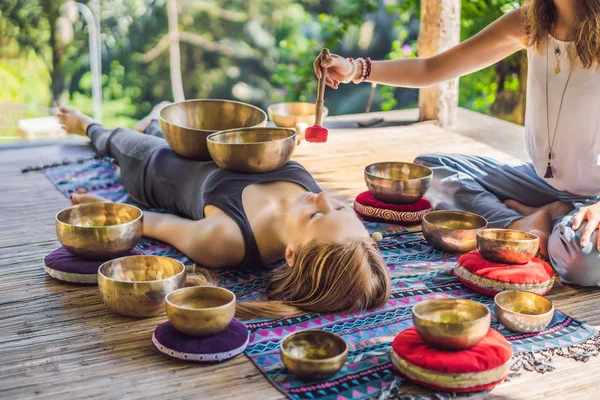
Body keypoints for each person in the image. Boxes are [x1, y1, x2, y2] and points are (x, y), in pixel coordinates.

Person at [314, 0, 600, 286]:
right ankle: (521, 224)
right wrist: (353, 69)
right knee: (431, 171)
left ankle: (549, 220)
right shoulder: (529, 23)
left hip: (595, 198)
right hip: (539, 181)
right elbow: (432, 69)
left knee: (579, 262)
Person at [57, 106, 390, 319]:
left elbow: (154, 223)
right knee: (166, 112)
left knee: (115, 139)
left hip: (153, 167)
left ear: (291, 254)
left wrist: (104, 209)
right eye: (339, 205)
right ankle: (151, 122)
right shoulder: (316, 202)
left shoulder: (228, 240)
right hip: (205, 142)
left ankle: (85, 126)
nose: (320, 198)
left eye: (315, 217)